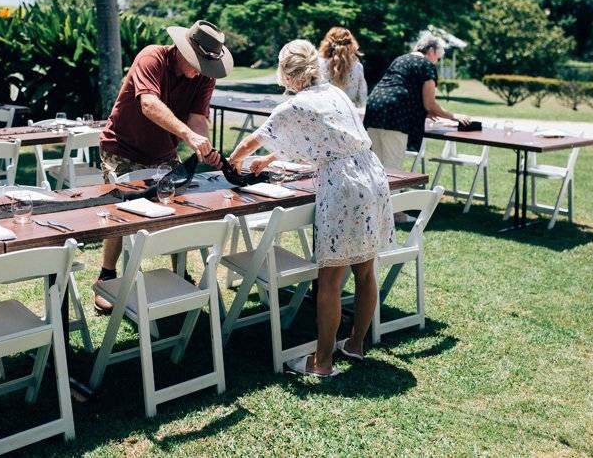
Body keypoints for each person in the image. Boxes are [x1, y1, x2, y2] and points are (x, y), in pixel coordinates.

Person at [228, 39, 395, 376]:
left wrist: (232, 162)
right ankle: (355, 344)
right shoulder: (335, 93)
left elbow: (253, 139)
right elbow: (324, 134)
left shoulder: (295, 104)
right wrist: (272, 158)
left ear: (287, 75)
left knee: (330, 278)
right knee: (365, 271)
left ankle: (321, 363)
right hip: (371, 174)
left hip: (343, 183)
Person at [94, 20, 233, 313]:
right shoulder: (152, 57)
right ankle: (107, 274)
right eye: (195, 64)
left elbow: (197, 117)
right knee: (122, 215)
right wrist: (187, 135)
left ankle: (179, 273)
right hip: (121, 146)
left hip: (163, 150)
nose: (199, 72)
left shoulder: (205, 75)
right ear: (182, 51)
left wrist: (202, 144)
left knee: (178, 209)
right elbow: (149, 104)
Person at [364, 32, 470, 172]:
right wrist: (454, 116)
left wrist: (424, 112)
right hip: (395, 115)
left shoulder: (400, 59)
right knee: (392, 170)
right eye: (437, 58)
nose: (436, 62)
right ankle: (393, 193)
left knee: (376, 168)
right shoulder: (426, 65)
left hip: (374, 109)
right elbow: (430, 104)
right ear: (431, 51)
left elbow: (403, 89)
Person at [317, 26, 367, 109]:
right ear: (351, 44)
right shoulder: (358, 67)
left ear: (326, 42)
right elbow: (362, 100)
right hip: (348, 118)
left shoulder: (318, 64)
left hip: (322, 116)